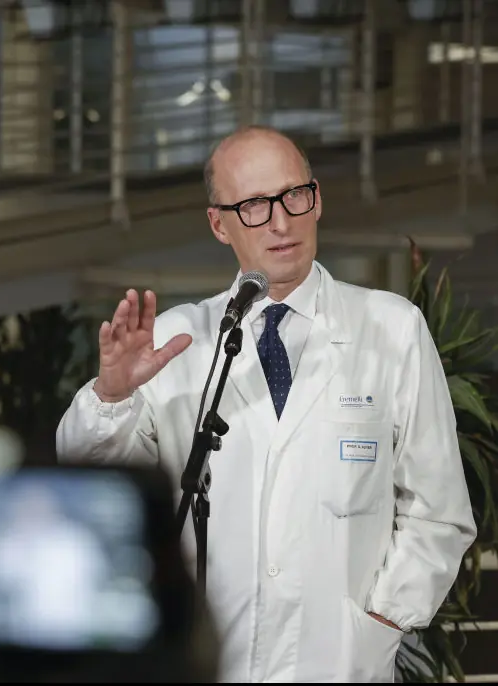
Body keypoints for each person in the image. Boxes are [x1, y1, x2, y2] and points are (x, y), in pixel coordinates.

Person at [56, 125, 477, 683]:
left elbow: (439, 511)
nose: (281, 222)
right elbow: (90, 482)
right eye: (254, 205)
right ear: (219, 224)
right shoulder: (179, 340)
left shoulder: (391, 328)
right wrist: (112, 394)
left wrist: (378, 624)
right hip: (214, 664)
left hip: (339, 668)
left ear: (317, 198)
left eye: (294, 196)